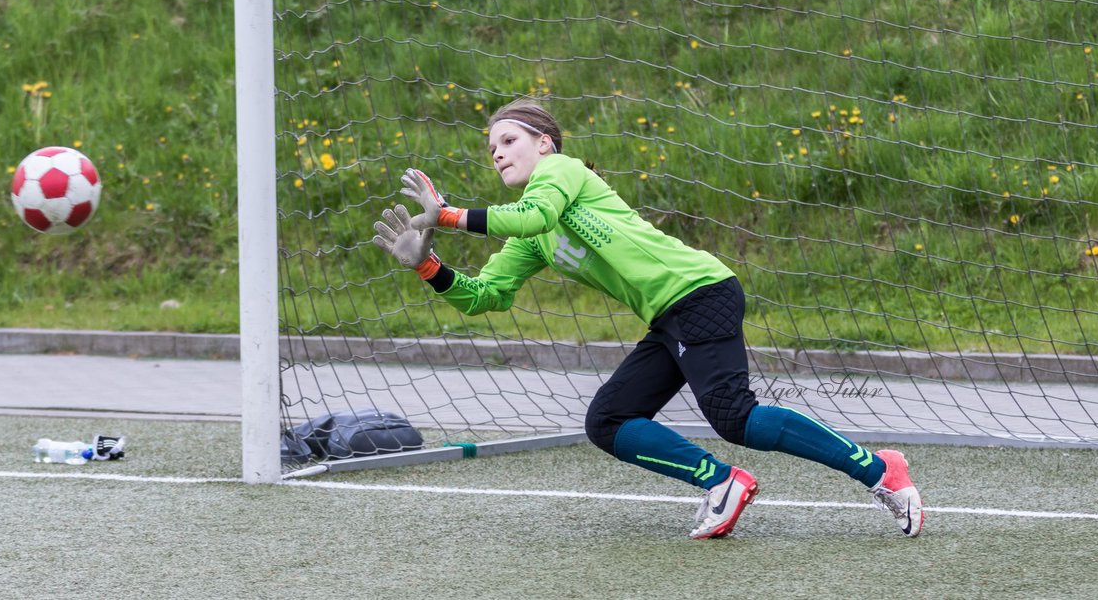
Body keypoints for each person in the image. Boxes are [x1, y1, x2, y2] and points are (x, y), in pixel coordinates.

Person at [372, 99, 924, 539]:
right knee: (608, 421)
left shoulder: (561, 174)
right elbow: (485, 296)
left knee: (735, 416)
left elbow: (535, 211)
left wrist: (446, 214)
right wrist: (426, 264)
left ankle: (880, 470)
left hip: (700, 291)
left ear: (545, 144)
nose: (497, 153)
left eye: (509, 140)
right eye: (491, 147)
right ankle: (722, 483)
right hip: (670, 316)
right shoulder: (530, 233)